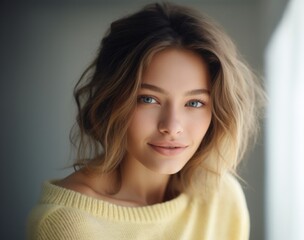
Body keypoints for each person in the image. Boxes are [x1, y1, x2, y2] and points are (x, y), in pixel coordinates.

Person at [27, 2, 264, 239]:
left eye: (194, 103)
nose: (171, 127)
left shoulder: (220, 197)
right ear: (112, 99)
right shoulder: (68, 224)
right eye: (149, 99)